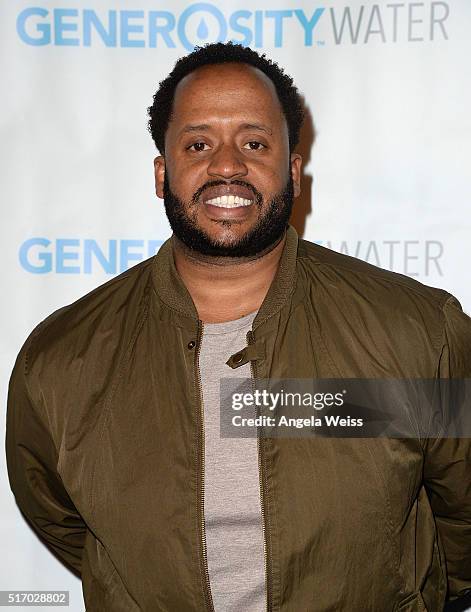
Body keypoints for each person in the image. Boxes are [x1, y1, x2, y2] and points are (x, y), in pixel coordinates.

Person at [5, 41, 471, 612]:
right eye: (198, 144)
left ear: (293, 172)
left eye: (254, 143)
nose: (227, 165)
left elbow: (463, 513)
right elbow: (61, 519)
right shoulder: (62, 357)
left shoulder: (417, 332)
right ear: (162, 172)